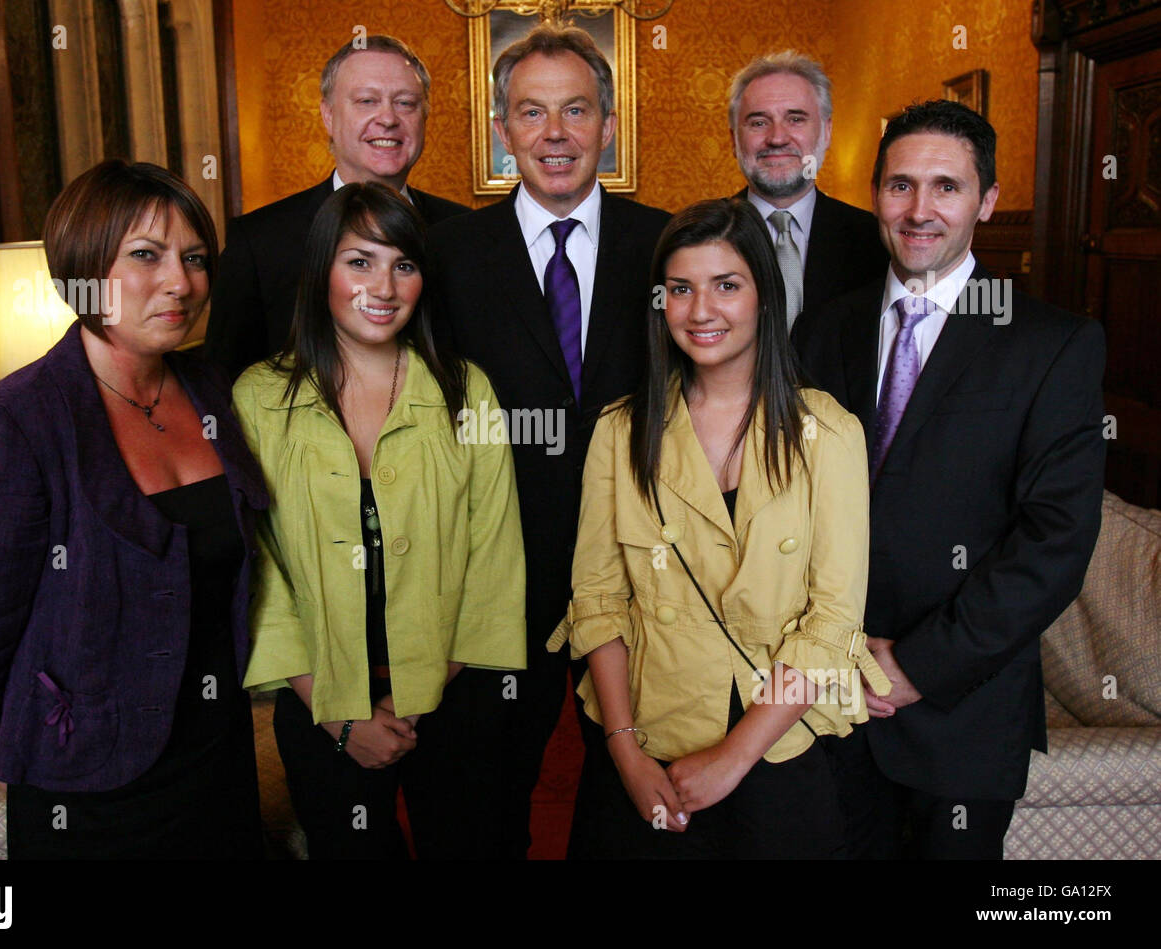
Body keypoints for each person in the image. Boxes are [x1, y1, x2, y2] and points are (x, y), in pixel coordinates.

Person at [0, 160, 268, 859]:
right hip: (88, 791)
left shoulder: (210, 388)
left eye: (194, 258)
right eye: (145, 255)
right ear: (81, 266)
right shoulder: (12, 427)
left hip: (217, 758)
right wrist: (26, 757)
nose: (181, 282)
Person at [794, 100, 1106, 859]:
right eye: (900, 185)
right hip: (824, 698)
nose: (920, 210)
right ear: (875, 195)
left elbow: (1054, 541)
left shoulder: (1052, 344)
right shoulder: (821, 328)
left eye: (947, 187)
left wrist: (919, 665)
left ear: (987, 201)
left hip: (963, 708)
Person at [550, 197, 888, 858]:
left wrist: (734, 756)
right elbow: (597, 603)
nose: (701, 310)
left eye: (726, 285)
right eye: (681, 289)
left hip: (777, 742)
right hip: (645, 737)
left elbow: (830, 622)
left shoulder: (829, 434)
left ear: (765, 296)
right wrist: (624, 753)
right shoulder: (621, 430)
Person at [426, 22, 670, 858]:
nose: (555, 134)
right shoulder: (448, 255)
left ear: (607, 124)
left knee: (635, 787)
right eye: (532, 113)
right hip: (500, 577)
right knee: (483, 796)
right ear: (503, 131)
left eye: (576, 110)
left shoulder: (670, 245)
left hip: (641, 573)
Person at [234, 182, 526, 859]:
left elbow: (495, 553)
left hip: (453, 695)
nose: (383, 285)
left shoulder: (465, 389)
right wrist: (336, 712)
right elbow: (259, 567)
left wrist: (425, 689)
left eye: (404, 263)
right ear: (321, 274)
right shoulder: (259, 397)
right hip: (318, 699)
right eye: (359, 262)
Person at [205, 35, 468, 379]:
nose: (387, 118)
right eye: (366, 101)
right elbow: (222, 381)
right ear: (328, 115)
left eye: (406, 103)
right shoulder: (258, 241)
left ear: (425, 118)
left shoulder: (465, 233)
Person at [727, 50, 887, 332]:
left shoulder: (877, 242)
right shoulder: (701, 237)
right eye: (758, 122)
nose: (777, 138)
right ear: (734, 139)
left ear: (826, 133)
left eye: (796, 119)